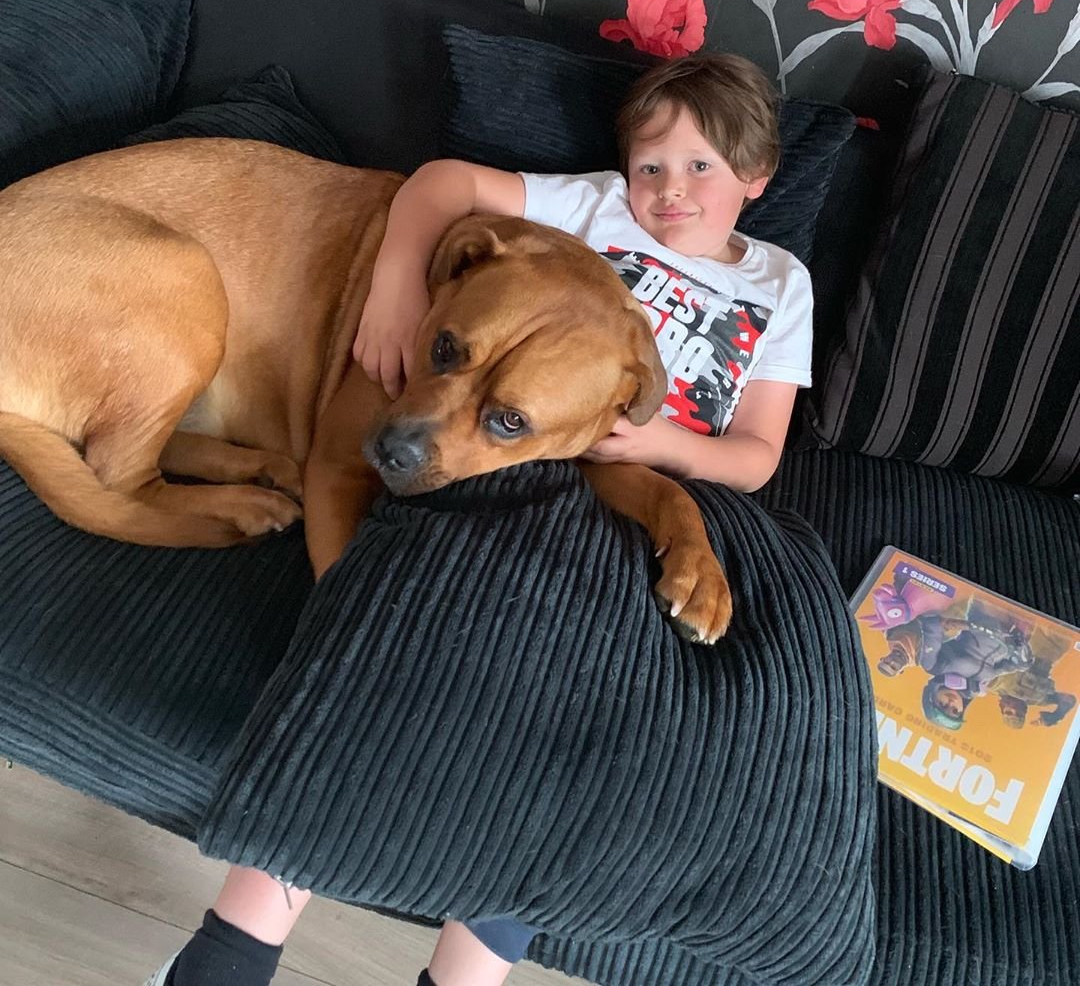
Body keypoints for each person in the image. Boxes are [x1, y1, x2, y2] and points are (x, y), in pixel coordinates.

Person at [144, 51, 814, 986]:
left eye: (701, 167)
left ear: (756, 180)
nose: (669, 190)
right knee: (400, 652)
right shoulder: (585, 215)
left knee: (567, 703)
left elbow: (758, 454)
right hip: (523, 472)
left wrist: (664, 456)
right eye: (650, 164)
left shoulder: (780, 287)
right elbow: (446, 191)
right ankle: (234, 947)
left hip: (620, 467)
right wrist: (398, 289)